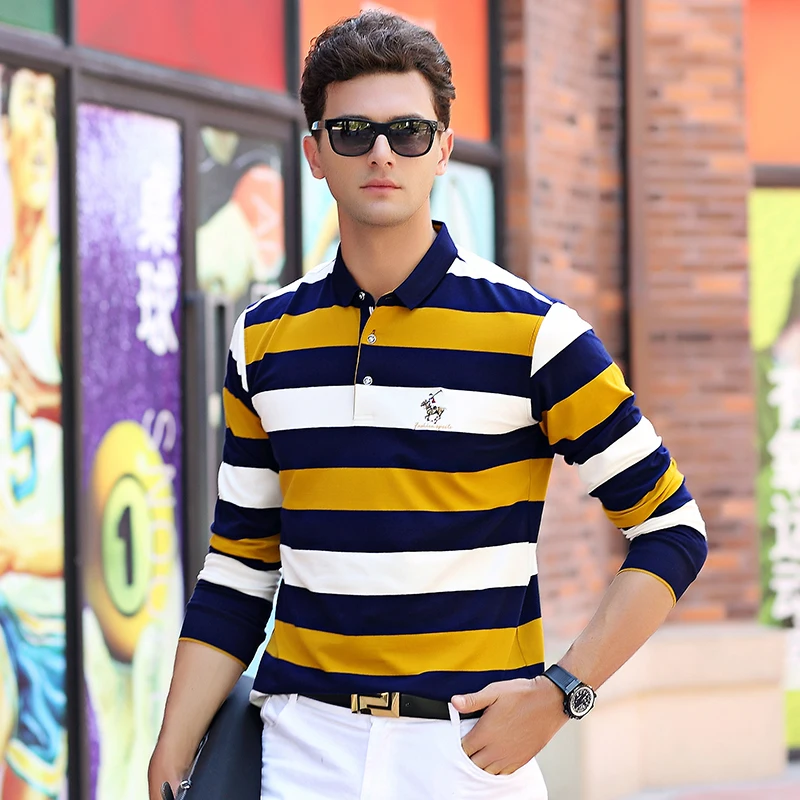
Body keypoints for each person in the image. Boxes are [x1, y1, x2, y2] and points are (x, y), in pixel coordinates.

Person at [149, 11, 708, 799]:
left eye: (408, 131)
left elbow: (671, 530)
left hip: (466, 756)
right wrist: (173, 746)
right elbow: (241, 566)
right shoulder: (263, 338)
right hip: (299, 752)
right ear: (315, 153)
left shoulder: (536, 334)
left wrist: (562, 694)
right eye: (352, 132)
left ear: (443, 148)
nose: (381, 153)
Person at [0, 66, 66, 800]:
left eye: (54, 107)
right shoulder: (11, 271)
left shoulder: (62, 275)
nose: (45, 126)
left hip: (52, 618)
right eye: (30, 103)